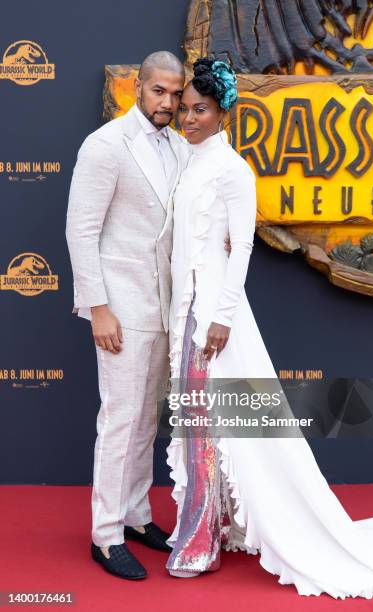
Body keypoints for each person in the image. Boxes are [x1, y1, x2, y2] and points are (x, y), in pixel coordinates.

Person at [165, 57, 373, 599]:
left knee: (210, 425)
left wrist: (223, 317)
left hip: (213, 315)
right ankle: (211, 526)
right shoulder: (188, 160)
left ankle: (201, 540)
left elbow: (242, 246)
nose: (189, 119)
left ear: (223, 111)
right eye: (184, 110)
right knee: (196, 424)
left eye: (199, 110)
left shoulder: (233, 170)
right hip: (185, 307)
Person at [66, 51, 191, 580]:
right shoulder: (104, 146)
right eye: (157, 91)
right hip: (120, 307)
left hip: (165, 308)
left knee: (145, 422)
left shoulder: (182, 146)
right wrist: (98, 308)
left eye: (175, 93)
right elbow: (81, 231)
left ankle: (138, 517)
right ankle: (106, 533)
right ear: (137, 87)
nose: (167, 101)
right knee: (120, 421)